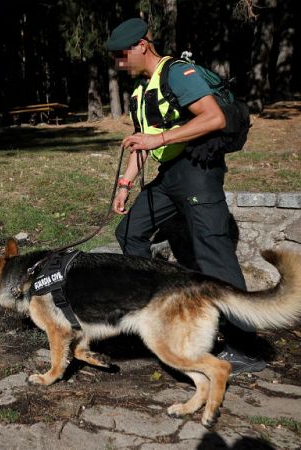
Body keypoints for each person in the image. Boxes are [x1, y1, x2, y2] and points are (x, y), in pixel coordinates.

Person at [105, 18, 265, 374]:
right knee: (130, 232)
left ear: (142, 45)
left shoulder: (177, 73)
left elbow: (214, 118)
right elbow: (141, 143)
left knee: (214, 255)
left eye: (122, 55)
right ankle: (155, 313)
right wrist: (125, 184)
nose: (118, 63)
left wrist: (159, 139)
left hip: (198, 172)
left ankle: (246, 347)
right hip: (170, 176)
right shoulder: (142, 90)